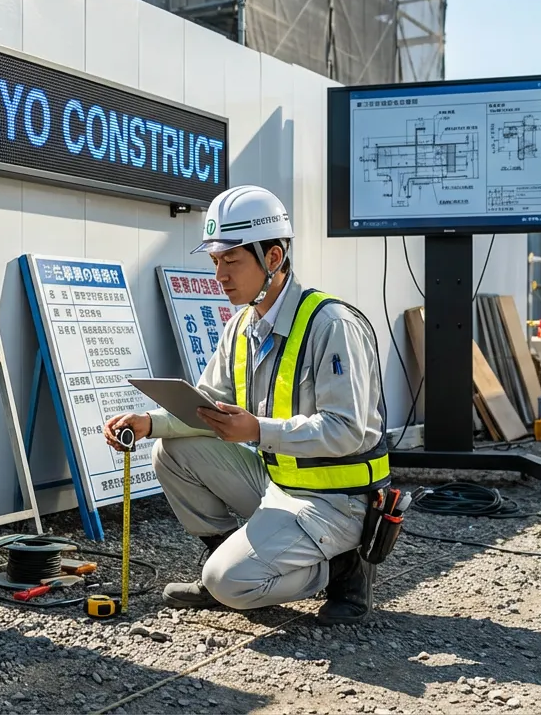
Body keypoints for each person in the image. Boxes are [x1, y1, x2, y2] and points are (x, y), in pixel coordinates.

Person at [105, 184, 390, 624]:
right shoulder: (241, 326)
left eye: (232, 260)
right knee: (171, 451)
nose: (219, 274)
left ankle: (341, 566)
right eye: (215, 261)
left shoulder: (331, 324)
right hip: (280, 481)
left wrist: (258, 430)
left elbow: (348, 431)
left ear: (273, 258)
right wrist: (148, 422)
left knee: (229, 583)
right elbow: (210, 408)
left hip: (339, 500)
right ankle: (231, 556)